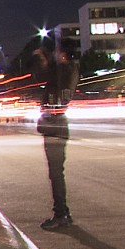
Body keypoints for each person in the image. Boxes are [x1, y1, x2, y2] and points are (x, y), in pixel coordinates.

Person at [34, 39, 77, 229]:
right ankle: (63, 212)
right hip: (57, 126)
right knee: (57, 172)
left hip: (55, 127)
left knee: (56, 174)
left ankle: (61, 214)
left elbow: (46, 74)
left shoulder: (63, 71)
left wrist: (43, 58)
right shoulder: (68, 71)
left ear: (63, 54)